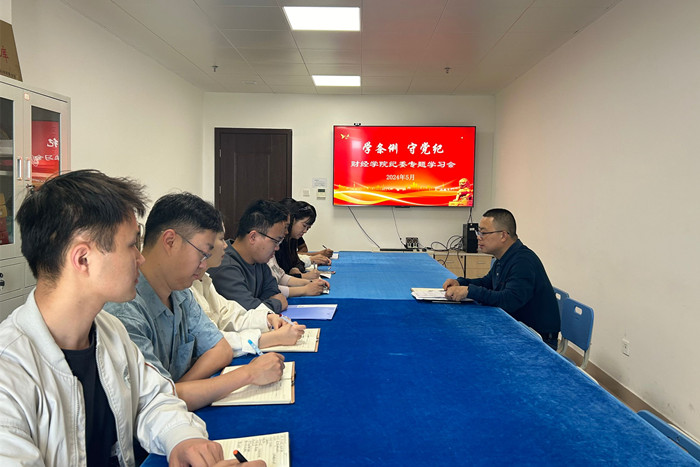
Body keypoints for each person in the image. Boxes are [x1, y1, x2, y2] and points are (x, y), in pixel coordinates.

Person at [0, 170, 263, 466]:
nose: (141, 258)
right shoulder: (9, 374)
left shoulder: (110, 332)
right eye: (131, 246)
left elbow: (154, 398)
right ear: (83, 259)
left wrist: (183, 438)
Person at [105, 193, 285, 411]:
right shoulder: (124, 310)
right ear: (170, 242)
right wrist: (247, 374)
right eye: (203, 254)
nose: (204, 265)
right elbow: (152, 399)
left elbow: (220, 349)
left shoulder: (181, 293)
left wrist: (176, 390)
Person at [443, 208, 561, 350]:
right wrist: (460, 282)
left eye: (484, 233)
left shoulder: (523, 261)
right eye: (478, 232)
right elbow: (487, 282)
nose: (479, 237)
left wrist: (469, 291)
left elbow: (509, 301)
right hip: (516, 327)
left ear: (503, 235)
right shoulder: (504, 257)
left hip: (536, 339)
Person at [192, 226, 307, 356]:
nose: (225, 245)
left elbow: (229, 314)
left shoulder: (204, 279)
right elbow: (209, 341)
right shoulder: (222, 268)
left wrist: (267, 319)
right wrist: (273, 338)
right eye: (221, 239)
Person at [207, 200, 289, 312]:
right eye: (276, 241)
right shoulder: (223, 265)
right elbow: (247, 311)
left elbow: (273, 292)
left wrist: (261, 304)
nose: (277, 248)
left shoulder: (259, 261)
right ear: (253, 237)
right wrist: (277, 303)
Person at [276, 200, 328, 279]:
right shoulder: (278, 242)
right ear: (292, 220)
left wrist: (295, 269)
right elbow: (277, 277)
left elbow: (297, 263)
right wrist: (302, 276)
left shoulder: (293, 239)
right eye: (304, 226)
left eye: (308, 228)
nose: (305, 231)